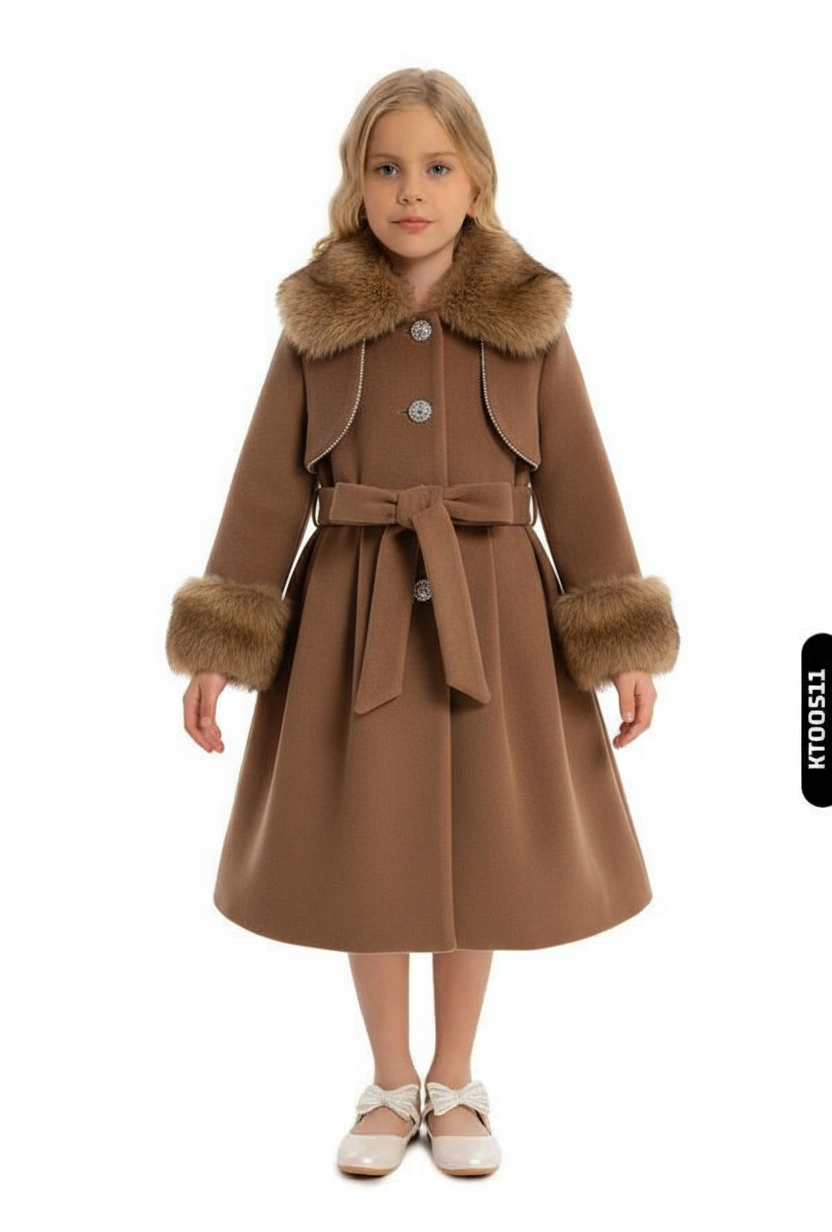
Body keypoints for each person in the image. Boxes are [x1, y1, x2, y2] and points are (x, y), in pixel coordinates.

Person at [165, 67, 680, 1178]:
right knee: (371, 840)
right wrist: (220, 647)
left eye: (437, 167)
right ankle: (389, 1078)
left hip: (497, 615)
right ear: (355, 184)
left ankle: (455, 1079)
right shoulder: (314, 325)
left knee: (482, 841)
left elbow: (579, 477)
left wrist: (621, 640)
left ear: (476, 182)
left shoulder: (531, 321)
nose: (411, 190)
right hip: (354, 615)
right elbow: (266, 484)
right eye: (387, 167)